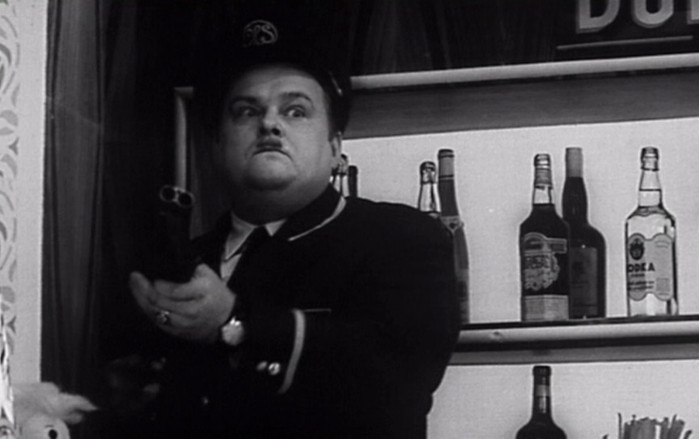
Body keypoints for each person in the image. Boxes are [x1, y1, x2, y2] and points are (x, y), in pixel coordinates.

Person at [126, 8, 461, 439]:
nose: (269, 123)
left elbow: (396, 382)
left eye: (296, 111)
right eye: (246, 111)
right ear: (216, 146)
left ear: (335, 147)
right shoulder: (185, 263)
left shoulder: (403, 240)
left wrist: (233, 322)